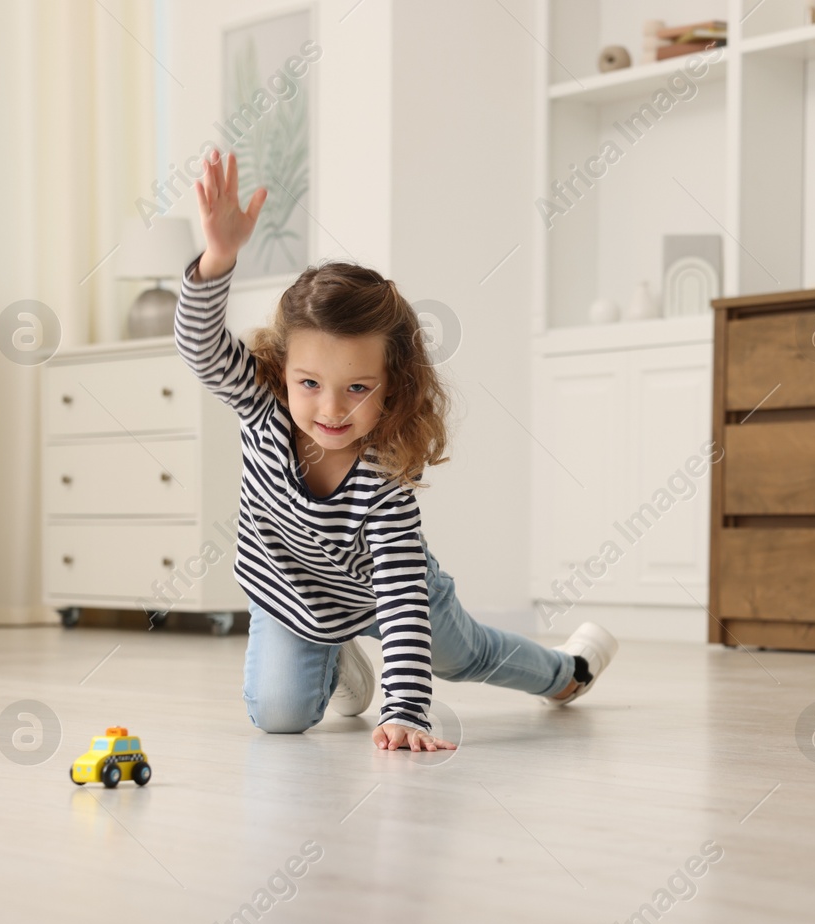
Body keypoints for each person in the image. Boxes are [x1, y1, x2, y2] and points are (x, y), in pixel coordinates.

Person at [176, 149, 616, 752]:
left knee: (465, 656)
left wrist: (406, 709)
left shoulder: (383, 480)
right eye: (311, 384)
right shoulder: (263, 405)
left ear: (393, 387)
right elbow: (200, 348)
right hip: (292, 591)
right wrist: (218, 258)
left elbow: (401, 596)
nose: (331, 410)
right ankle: (341, 662)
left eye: (357, 388)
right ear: (281, 371)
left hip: (385, 596)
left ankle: (570, 672)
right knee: (279, 716)